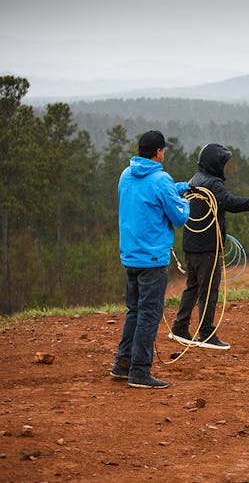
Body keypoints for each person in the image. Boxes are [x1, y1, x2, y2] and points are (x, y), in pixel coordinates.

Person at [170, 143, 249, 350]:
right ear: (215, 164)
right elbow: (229, 203)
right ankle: (206, 333)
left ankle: (180, 327)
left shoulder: (193, 180)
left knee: (193, 287)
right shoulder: (213, 183)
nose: (224, 166)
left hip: (190, 245)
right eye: (222, 162)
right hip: (208, 247)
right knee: (209, 291)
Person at [111, 131, 190, 389]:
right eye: (163, 149)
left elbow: (148, 198)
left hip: (131, 256)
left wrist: (175, 189)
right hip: (153, 260)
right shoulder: (160, 179)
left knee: (134, 311)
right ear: (158, 152)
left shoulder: (125, 175)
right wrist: (183, 201)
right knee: (149, 314)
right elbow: (179, 217)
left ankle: (123, 364)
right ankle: (140, 371)